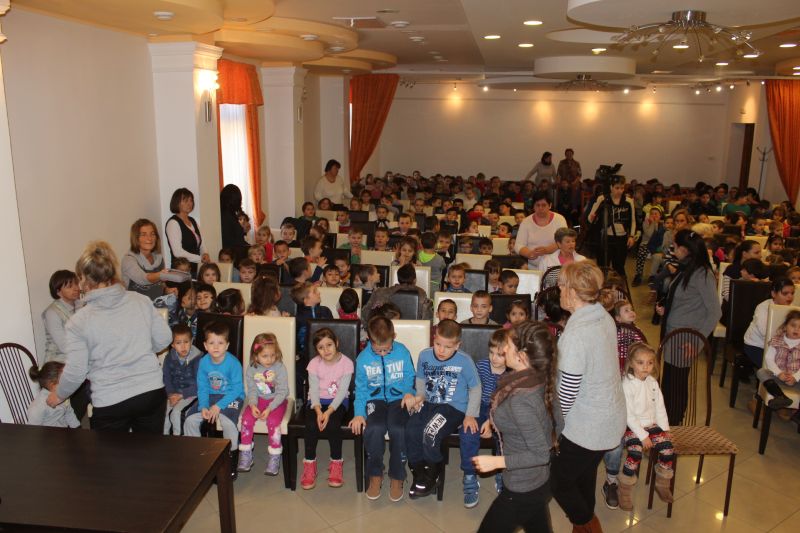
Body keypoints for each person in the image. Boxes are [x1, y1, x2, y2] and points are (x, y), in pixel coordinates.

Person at [47, 241, 172, 433]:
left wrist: (59, 395)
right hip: (151, 392)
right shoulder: (140, 301)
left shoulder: (79, 321)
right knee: (151, 451)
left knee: (111, 454)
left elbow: (77, 370)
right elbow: (164, 338)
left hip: (111, 400)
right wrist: (139, 350)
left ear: (83, 279)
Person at [550, 261, 626, 532]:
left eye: (561, 286)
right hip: (610, 415)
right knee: (584, 473)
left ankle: (587, 524)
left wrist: (552, 426)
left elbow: (567, 392)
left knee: (557, 480)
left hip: (589, 425)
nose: (559, 290)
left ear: (572, 292)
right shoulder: (603, 316)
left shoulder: (576, 334)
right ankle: (581, 525)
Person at [474, 322, 564, 533]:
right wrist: (500, 422)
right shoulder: (539, 377)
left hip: (522, 488)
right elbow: (558, 423)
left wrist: (497, 461)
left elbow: (540, 454)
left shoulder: (520, 399)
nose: (503, 349)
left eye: (508, 345)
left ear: (522, 355)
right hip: (539, 481)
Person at [405, 320, 481, 499]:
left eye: (447, 347)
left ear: (457, 345)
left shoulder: (464, 361)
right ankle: (419, 472)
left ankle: (433, 473)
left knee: (430, 433)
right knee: (411, 429)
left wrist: (470, 414)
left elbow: (476, 388)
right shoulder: (425, 355)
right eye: (438, 344)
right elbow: (421, 378)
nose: (441, 350)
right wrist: (420, 396)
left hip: (453, 407)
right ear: (434, 338)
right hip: (429, 403)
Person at [655, 230, 721, 425]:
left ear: (684, 249)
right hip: (674, 333)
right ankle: (668, 423)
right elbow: (686, 301)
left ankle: (674, 425)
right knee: (670, 382)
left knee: (676, 385)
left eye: (675, 246)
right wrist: (667, 310)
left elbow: (715, 312)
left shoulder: (702, 274)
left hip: (684, 339)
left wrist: (697, 341)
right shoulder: (687, 268)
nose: (673, 249)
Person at [349, 317, 416, 502]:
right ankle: (375, 474)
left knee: (399, 429)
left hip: (399, 399)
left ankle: (397, 475)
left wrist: (409, 393)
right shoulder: (363, 359)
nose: (383, 353)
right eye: (378, 350)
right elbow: (361, 389)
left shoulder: (402, 351)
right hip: (375, 400)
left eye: (387, 349)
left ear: (394, 337)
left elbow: (410, 377)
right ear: (369, 340)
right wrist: (359, 414)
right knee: (374, 428)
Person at [184, 321, 245, 479]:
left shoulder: (233, 363)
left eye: (220, 343)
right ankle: (197, 456)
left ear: (227, 345)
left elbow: (237, 389)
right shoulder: (204, 362)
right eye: (211, 343)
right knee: (190, 420)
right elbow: (203, 387)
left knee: (227, 422)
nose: (216, 347)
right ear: (205, 345)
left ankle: (230, 459)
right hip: (210, 396)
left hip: (231, 396)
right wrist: (204, 406)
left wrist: (218, 406)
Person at [618, 343, 674, 510]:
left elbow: (660, 407)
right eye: (640, 362)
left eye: (650, 363)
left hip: (651, 424)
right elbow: (628, 414)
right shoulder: (627, 384)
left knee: (667, 449)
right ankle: (624, 490)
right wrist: (643, 436)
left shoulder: (653, 382)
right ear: (631, 363)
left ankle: (662, 483)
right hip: (632, 427)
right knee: (635, 453)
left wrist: (664, 429)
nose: (646, 367)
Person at [460, 329, 510, 508]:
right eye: (491, 352)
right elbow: (470, 390)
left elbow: (507, 402)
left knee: (506, 436)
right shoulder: (480, 366)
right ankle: (469, 476)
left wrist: (491, 421)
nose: (494, 358)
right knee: (468, 433)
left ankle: (502, 473)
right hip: (478, 406)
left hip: (501, 410)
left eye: (500, 355)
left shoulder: (511, 372)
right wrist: (471, 414)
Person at [301, 328, 355, 490]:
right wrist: (318, 411)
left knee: (333, 424)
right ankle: (310, 464)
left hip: (338, 402)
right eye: (320, 347)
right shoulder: (314, 364)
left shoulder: (347, 363)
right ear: (316, 350)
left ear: (336, 343)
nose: (326, 350)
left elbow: (342, 391)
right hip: (317, 401)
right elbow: (313, 390)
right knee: (311, 425)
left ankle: (336, 463)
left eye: (329, 345)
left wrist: (329, 411)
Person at [238, 333, 290, 475]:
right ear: (256, 356)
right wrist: (253, 405)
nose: (269, 359)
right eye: (265, 356)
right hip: (258, 400)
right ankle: (246, 453)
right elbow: (252, 390)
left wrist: (270, 408)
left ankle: (274, 456)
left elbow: (283, 392)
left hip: (277, 401)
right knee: (246, 420)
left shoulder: (279, 368)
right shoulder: (252, 369)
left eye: (272, 355)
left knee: (273, 422)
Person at [587, 176, 638, 277]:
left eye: (622, 188)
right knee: (602, 266)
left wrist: (632, 236)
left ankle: (619, 285)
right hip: (606, 237)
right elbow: (590, 218)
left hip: (621, 238)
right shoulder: (603, 199)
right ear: (611, 187)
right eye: (617, 188)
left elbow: (633, 220)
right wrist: (592, 218)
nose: (620, 191)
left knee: (619, 267)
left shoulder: (628, 201)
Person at [755, 310, 800, 423]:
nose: (797, 329)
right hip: (777, 378)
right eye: (793, 325)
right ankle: (780, 396)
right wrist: (779, 373)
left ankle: (798, 413)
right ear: (785, 326)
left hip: (796, 380)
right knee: (761, 372)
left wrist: (795, 377)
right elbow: (769, 359)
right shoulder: (777, 340)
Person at [743, 277, 795, 368]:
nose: (790, 296)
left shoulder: (792, 308)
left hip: (778, 347)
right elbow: (766, 332)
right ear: (773, 294)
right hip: (756, 346)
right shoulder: (763, 308)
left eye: (792, 293)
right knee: (777, 368)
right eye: (785, 293)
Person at [162, 324, 202, 436]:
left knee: (177, 413)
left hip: (193, 395)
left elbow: (200, 384)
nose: (183, 346)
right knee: (163, 413)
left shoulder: (197, 358)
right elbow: (166, 379)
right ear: (172, 344)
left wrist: (181, 395)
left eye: (186, 342)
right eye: (178, 343)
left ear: (192, 341)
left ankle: (179, 442)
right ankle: (164, 441)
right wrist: (171, 394)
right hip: (174, 395)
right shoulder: (169, 358)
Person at [515, 191, 568, 271]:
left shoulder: (560, 219)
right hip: (532, 266)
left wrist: (547, 250)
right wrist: (529, 253)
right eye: (537, 205)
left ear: (550, 205)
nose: (540, 208)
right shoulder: (526, 222)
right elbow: (518, 245)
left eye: (544, 205)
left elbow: (564, 241)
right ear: (533, 206)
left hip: (556, 266)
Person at [165, 188, 209, 276]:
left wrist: (205, 253)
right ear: (177, 202)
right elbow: (178, 252)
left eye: (191, 200)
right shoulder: (173, 223)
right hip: (181, 271)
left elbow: (201, 244)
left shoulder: (193, 221)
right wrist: (200, 258)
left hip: (197, 268)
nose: (189, 203)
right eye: (185, 201)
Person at [121, 219, 166, 300]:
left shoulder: (159, 258)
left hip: (158, 305)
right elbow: (143, 279)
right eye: (143, 235)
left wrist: (167, 290)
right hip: (137, 306)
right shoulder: (128, 260)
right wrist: (160, 275)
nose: (149, 238)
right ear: (136, 238)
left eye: (152, 234)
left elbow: (160, 285)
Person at [27, 361, 80, 428]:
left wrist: (77, 427)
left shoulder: (64, 394)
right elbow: (33, 428)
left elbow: (69, 412)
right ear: (52, 385)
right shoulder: (40, 405)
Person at [220, 184, 250, 258]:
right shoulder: (228, 216)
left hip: (231, 252)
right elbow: (236, 241)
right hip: (234, 255)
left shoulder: (225, 214)